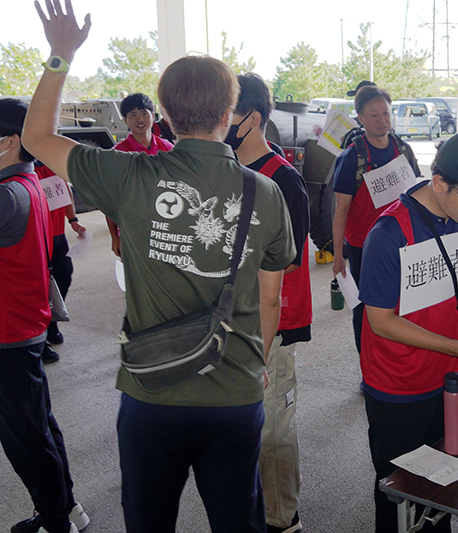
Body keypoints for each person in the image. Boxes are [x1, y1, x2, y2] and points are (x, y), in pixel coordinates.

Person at [24, 3, 296, 532]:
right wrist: (259, 361)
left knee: (148, 522)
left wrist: (61, 55)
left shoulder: (128, 175)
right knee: (238, 521)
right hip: (235, 394)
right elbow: (271, 299)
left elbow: (35, 138)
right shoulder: (264, 191)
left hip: (151, 394)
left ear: (165, 115)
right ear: (229, 113)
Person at [359, 131, 458, 532]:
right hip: (398, 383)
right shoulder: (390, 233)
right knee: (397, 487)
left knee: (445, 479)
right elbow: (381, 321)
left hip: (448, 377)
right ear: (439, 183)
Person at [226, 71, 311, 533]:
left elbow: (286, 272)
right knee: (247, 424)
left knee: (273, 425)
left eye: (226, 115)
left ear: (251, 119)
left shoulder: (284, 182)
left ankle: (283, 519)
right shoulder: (230, 173)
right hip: (235, 322)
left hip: (270, 326)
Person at [1, 98, 90, 533]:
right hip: (25, 324)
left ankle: (57, 520)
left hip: (9, 332)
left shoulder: (7, 195)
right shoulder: (28, 182)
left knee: (26, 438)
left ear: (11, 141)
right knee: (39, 426)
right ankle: (65, 507)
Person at [332, 85, 421, 353]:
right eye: (374, 115)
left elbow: (416, 196)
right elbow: (341, 211)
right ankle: (368, 365)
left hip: (401, 242)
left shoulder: (402, 149)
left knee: (402, 303)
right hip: (364, 247)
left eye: (386, 113)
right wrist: (338, 255)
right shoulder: (352, 157)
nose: (382, 120)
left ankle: (398, 356)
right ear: (359, 117)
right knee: (366, 308)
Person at [106, 92, 174, 257]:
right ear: (125, 120)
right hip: (132, 230)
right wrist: (115, 237)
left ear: (153, 115)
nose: (140, 120)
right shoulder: (117, 154)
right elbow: (109, 199)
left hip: (166, 227)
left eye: (145, 113)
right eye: (133, 115)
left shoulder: (168, 149)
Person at [34, 163, 87, 362]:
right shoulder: (23, 166)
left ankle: (51, 322)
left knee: (64, 275)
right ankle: (40, 339)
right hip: (35, 236)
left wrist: (72, 219)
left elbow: (64, 189)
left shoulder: (49, 161)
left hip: (56, 234)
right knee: (38, 286)